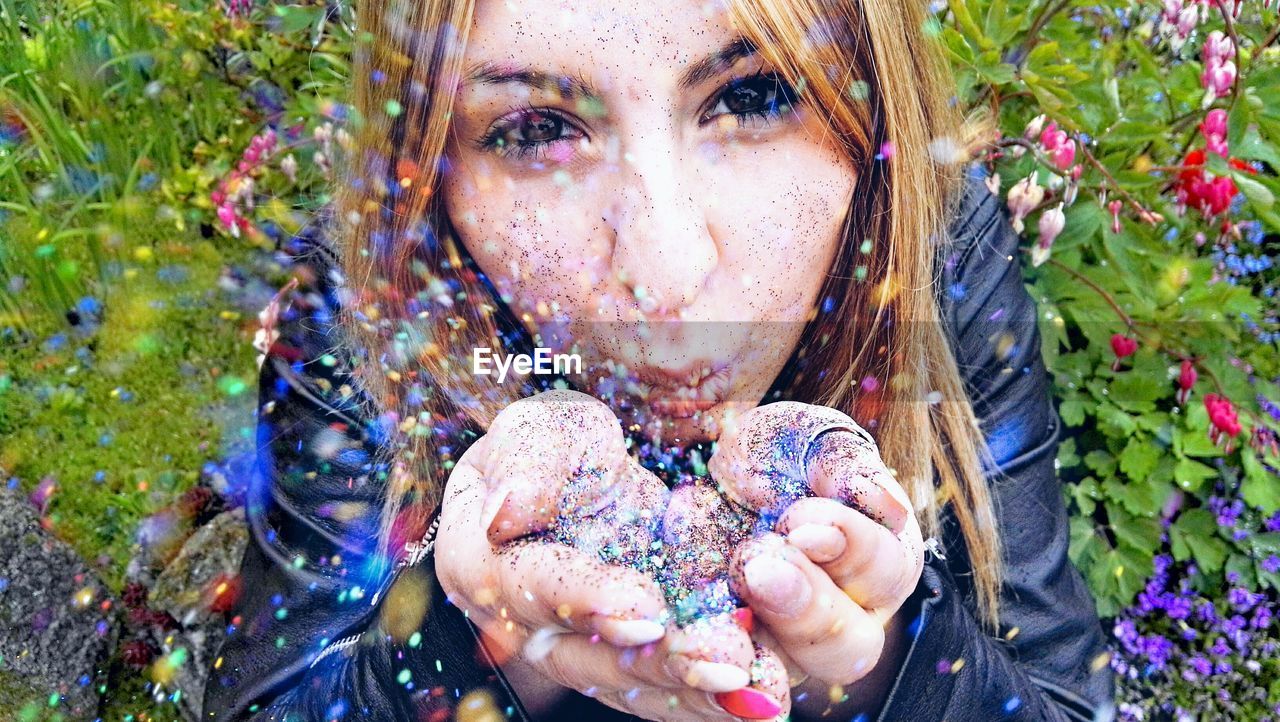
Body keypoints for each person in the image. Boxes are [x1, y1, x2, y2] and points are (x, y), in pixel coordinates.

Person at [202, 0, 1116, 720]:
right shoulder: (373, 305)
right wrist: (474, 650)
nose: (664, 274)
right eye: (534, 128)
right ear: (431, 168)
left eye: (754, 95)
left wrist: (884, 664)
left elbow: (1061, 696)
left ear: (874, 109)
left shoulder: (932, 256)